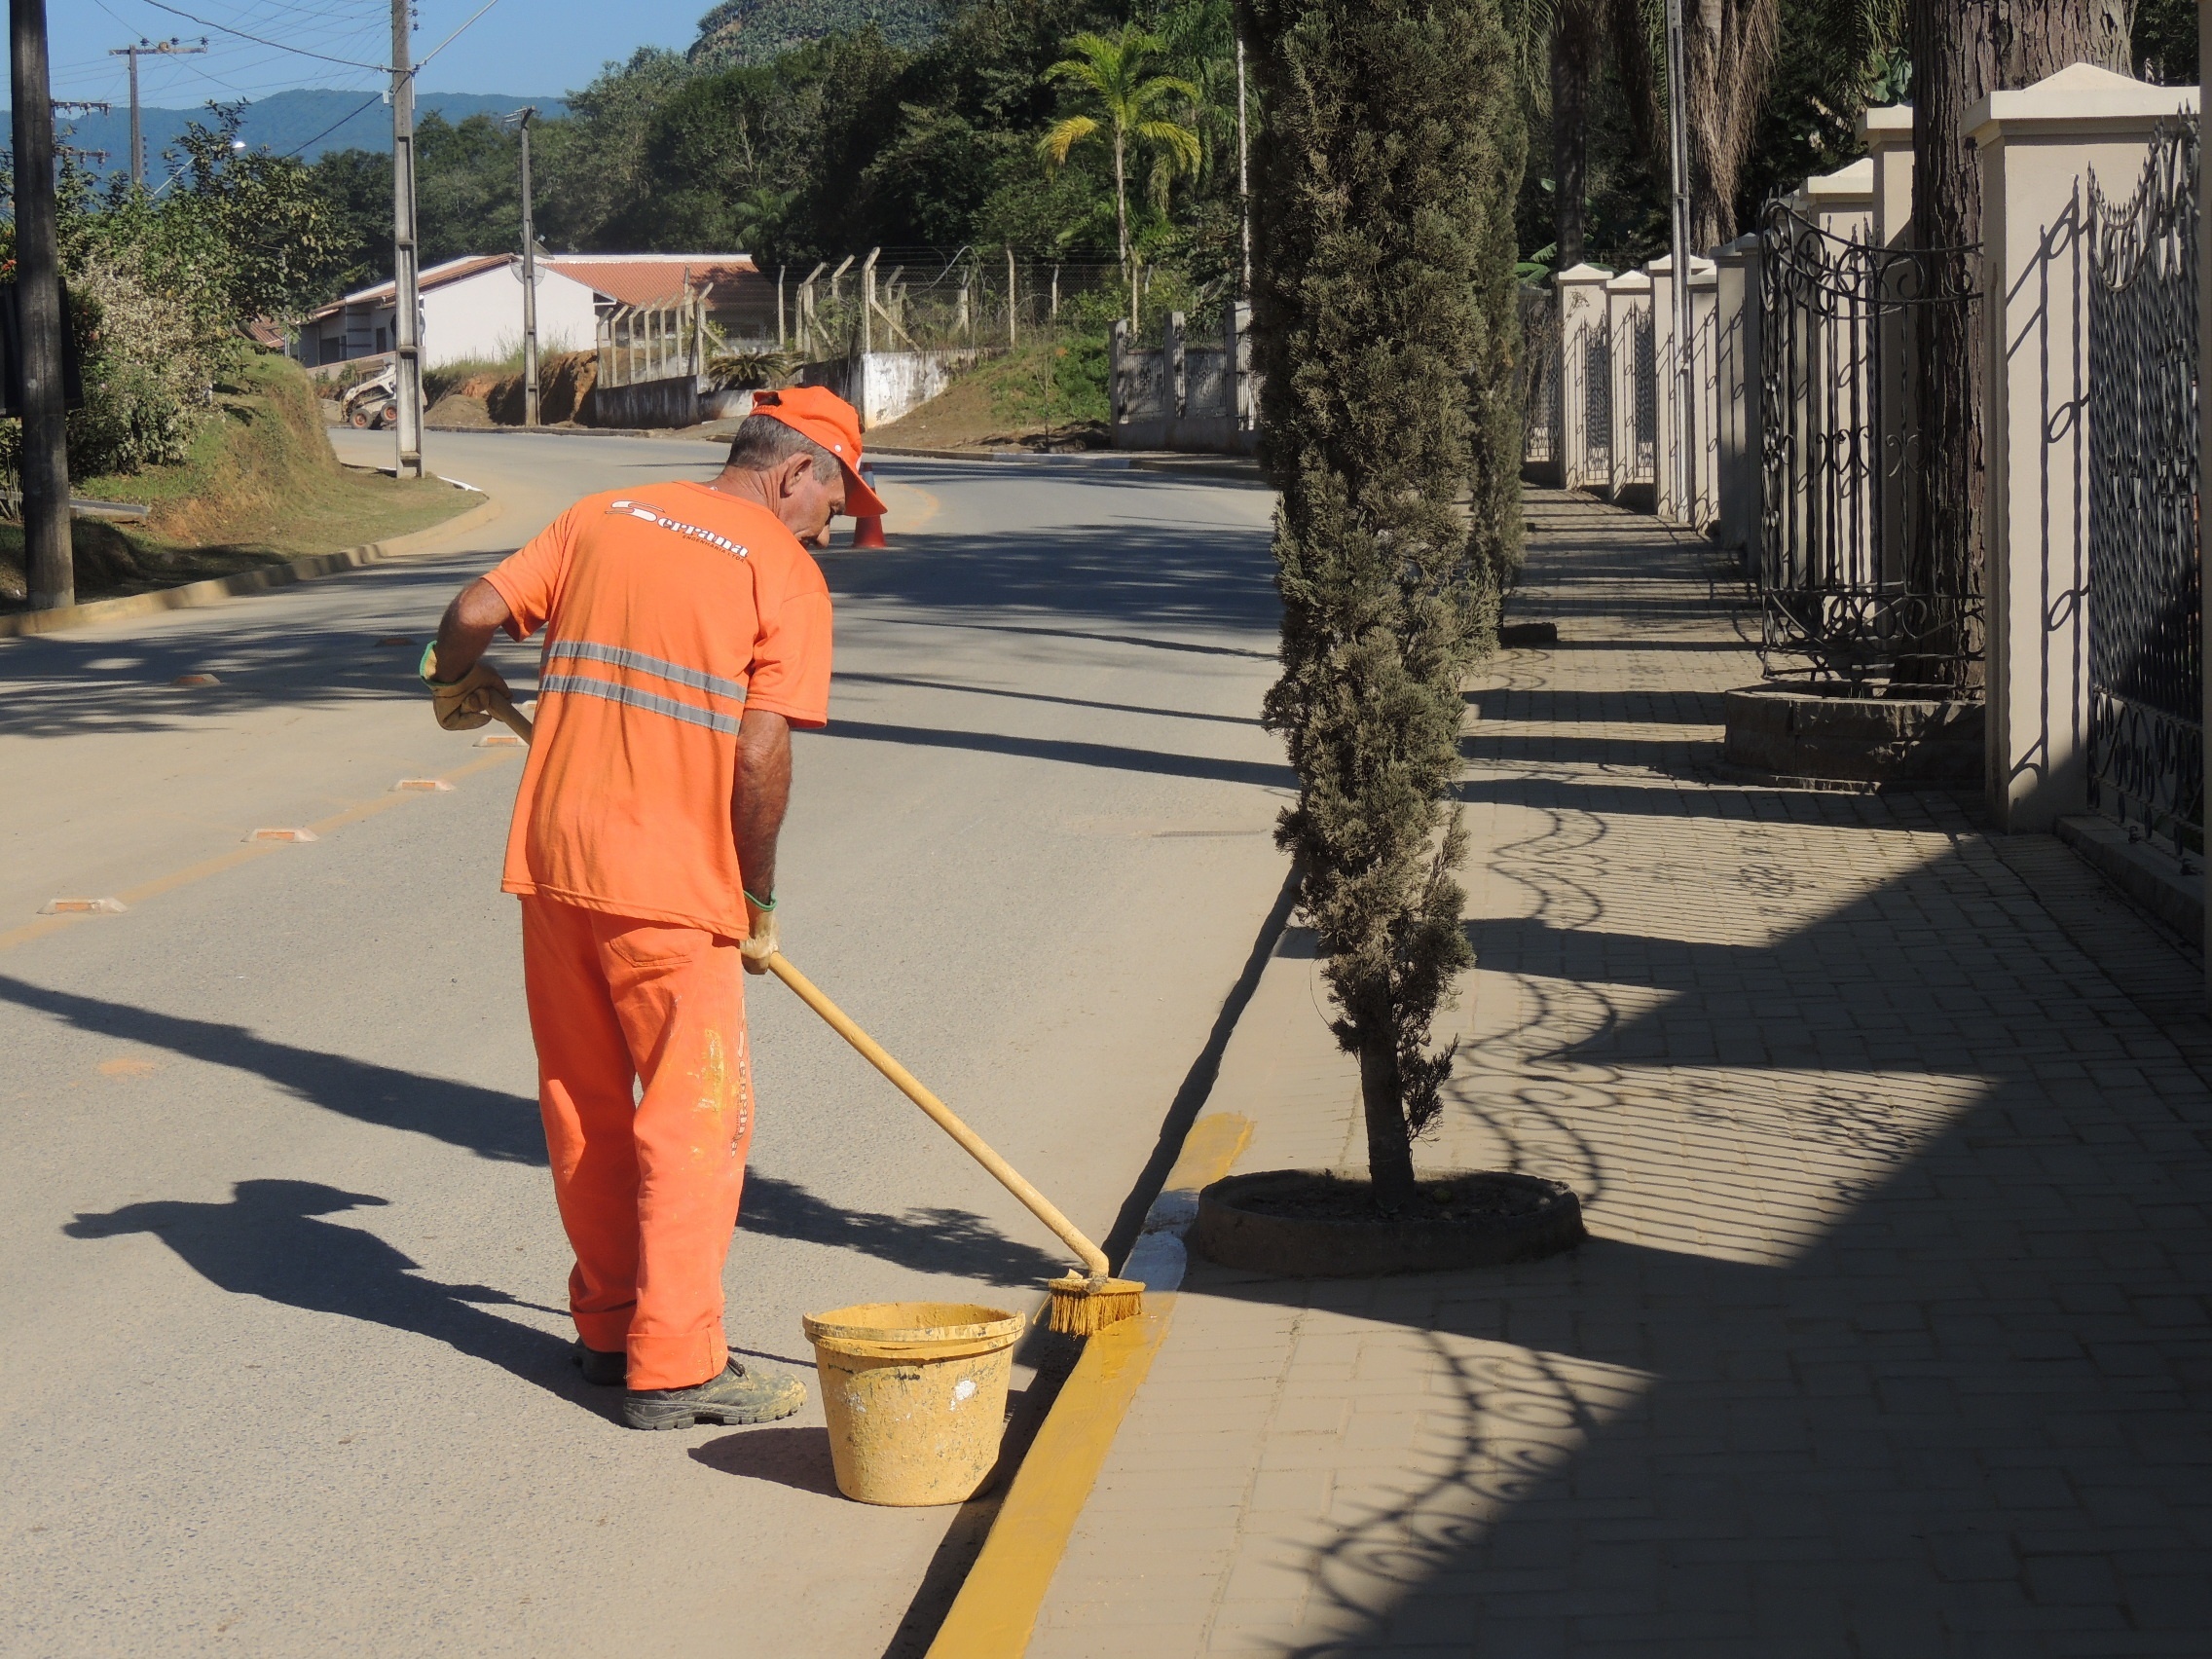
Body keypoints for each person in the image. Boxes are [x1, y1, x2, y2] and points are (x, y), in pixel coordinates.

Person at [419, 387, 886, 1430]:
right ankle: (675, 1366)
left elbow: (474, 616)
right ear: (795, 473)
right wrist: (755, 891)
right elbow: (760, 751)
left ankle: (609, 1328)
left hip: (555, 863)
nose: (831, 521)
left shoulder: (605, 515)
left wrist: (449, 680)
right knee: (695, 1121)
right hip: (670, 888)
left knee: (583, 1104)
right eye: (835, 498)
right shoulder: (783, 571)